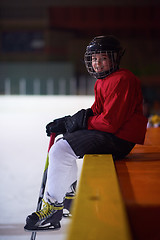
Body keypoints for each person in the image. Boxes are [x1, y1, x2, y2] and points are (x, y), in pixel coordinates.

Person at [24, 35, 147, 231]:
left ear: (115, 58)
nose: (97, 63)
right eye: (94, 58)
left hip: (119, 139)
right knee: (65, 144)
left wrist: (79, 122)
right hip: (114, 135)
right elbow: (97, 112)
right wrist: (69, 121)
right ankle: (69, 198)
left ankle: (53, 209)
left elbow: (109, 123)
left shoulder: (123, 79)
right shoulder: (103, 81)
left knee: (60, 151)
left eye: (103, 58)